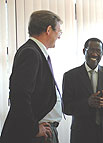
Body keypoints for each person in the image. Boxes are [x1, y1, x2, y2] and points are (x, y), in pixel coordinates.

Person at [0, 10, 63, 143]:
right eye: (58, 31)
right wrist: (33, 129)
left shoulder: (36, 52)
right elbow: (20, 95)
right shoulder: (30, 52)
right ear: (48, 30)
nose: (59, 36)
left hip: (42, 131)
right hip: (33, 135)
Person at [62, 37, 103, 143]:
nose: (95, 54)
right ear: (84, 51)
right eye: (91, 50)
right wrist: (87, 103)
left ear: (102, 53)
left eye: (98, 51)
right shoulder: (70, 76)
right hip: (81, 135)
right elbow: (66, 108)